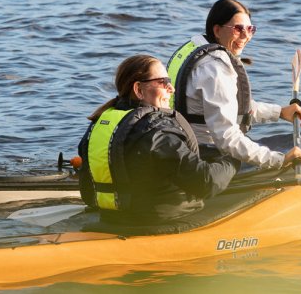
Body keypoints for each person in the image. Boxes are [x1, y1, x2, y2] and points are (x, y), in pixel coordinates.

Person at [77, 54, 239, 224]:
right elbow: (206, 182)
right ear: (139, 89)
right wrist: (234, 159)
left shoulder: (99, 125)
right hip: (158, 222)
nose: (172, 88)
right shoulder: (158, 134)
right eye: (163, 82)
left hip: (112, 217)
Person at [167, 0, 301, 170]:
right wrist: (279, 160)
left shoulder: (193, 50)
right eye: (238, 29)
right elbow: (227, 138)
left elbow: (231, 107)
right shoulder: (215, 69)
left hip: (180, 144)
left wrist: (278, 112)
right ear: (217, 30)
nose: (246, 36)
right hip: (206, 157)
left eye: (250, 29)